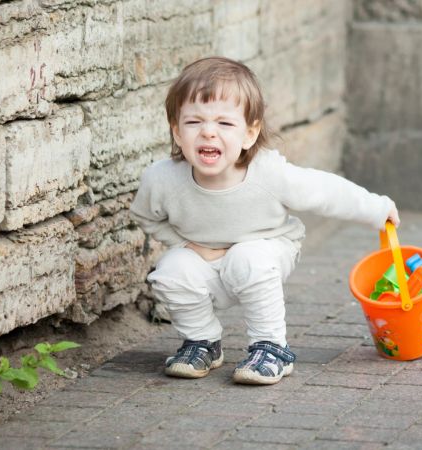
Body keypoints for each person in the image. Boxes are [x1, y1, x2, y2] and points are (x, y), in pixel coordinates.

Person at [129, 56, 399, 385]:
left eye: (224, 124)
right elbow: (144, 217)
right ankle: (202, 342)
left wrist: (376, 208)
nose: (208, 133)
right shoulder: (162, 180)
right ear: (176, 131)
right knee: (170, 270)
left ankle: (271, 346)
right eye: (193, 122)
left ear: (249, 133)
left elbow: (324, 191)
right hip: (205, 256)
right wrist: (185, 245)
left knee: (248, 257)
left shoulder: (268, 173)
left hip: (268, 250)